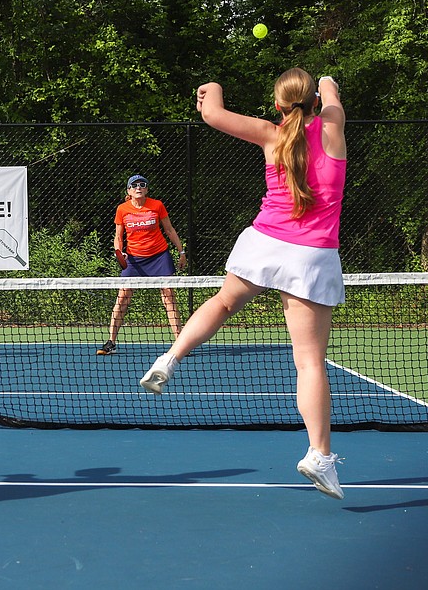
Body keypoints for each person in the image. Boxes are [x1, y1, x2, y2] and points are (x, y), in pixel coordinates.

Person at [140, 69, 347, 499]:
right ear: (315, 102)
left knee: (223, 302)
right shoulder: (333, 127)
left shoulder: (271, 134)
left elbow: (212, 113)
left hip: (265, 242)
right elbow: (330, 94)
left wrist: (210, 87)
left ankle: (172, 355)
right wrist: (326, 80)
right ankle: (319, 455)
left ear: (277, 105)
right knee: (309, 362)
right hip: (312, 256)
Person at [96, 174, 187, 355]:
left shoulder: (157, 205)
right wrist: (119, 251)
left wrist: (181, 251)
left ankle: (180, 343)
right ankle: (111, 342)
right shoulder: (122, 209)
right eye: (134, 185)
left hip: (159, 256)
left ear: (146, 189)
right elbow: (118, 236)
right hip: (134, 259)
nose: (138, 187)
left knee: (168, 296)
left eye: (142, 185)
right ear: (129, 191)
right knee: (122, 297)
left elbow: (169, 229)